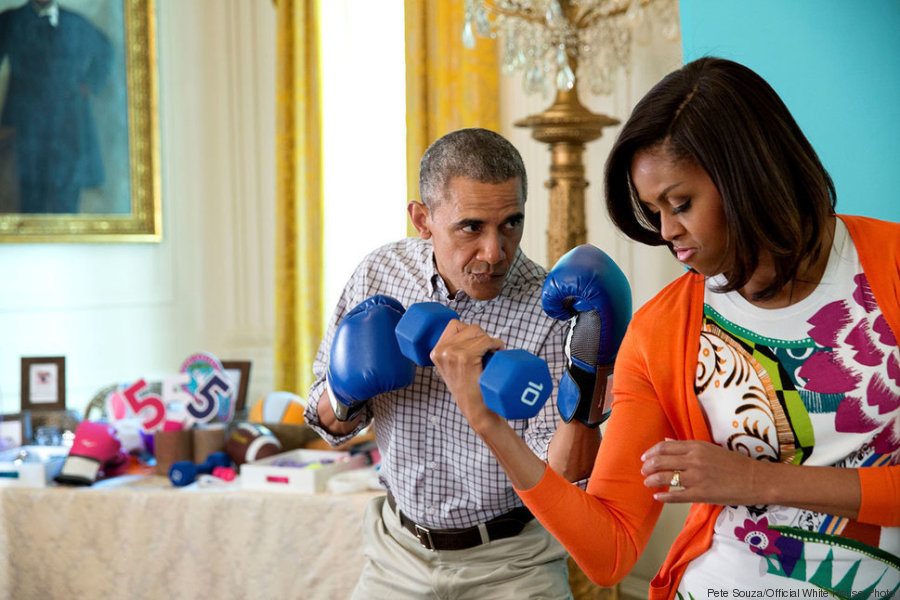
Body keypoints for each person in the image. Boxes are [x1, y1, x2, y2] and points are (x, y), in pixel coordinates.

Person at [433, 57, 900, 599]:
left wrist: (753, 480)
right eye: (654, 211)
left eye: (680, 204)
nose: (667, 232)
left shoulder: (886, 269)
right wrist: (492, 428)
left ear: (748, 174)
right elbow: (610, 547)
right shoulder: (663, 330)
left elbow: (736, 479)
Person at [303, 128, 603, 599]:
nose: (495, 252)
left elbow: (565, 477)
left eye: (511, 223)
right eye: (472, 227)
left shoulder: (552, 309)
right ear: (423, 220)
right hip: (396, 556)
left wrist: (593, 369)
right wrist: (344, 391)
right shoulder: (380, 273)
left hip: (513, 564)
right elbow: (324, 424)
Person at [0, 0, 111, 213]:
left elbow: (105, 50)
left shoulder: (75, 23)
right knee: (29, 191)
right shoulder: (9, 21)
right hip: (26, 124)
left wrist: (91, 82)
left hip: (67, 123)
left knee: (67, 189)